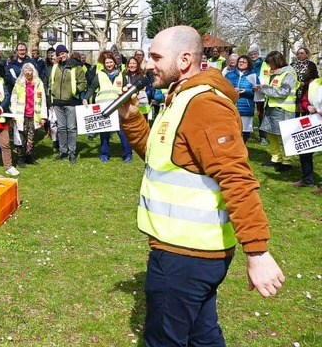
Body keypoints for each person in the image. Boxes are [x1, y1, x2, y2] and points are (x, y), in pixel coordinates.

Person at [118, 25, 284, 346]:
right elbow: (159, 155)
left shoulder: (203, 104)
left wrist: (258, 251)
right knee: (202, 336)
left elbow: (236, 177)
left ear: (184, 60)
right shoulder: (179, 97)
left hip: (186, 257)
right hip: (187, 254)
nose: (147, 64)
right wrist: (132, 118)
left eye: (155, 57)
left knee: (166, 340)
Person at [83, 51, 132, 163]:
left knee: (122, 131)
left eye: (111, 62)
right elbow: (92, 88)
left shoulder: (121, 75)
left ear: (114, 63)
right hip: (104, 108)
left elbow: (126, 90)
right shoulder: (99, 75)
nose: (109, 64)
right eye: (107, 63)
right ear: (104, 64)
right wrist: (86, 98)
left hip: (118, 107)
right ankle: (105, 154)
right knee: (104, 132)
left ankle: (127, 154)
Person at [254, 51, 298, 172]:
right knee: (271, 133)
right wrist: (262, 88)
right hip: (272, 107)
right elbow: (271, 88)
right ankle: (276, 157)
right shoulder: (275, 73)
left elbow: (283, 92)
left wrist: (264, 89)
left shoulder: (288, 73)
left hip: (283, 109)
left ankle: (287, 161)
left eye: (271, 63)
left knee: (284, 136)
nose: (269, 66)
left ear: (277, 62)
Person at [50, 45, 87, 163]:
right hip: (57, 102)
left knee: (71, 128)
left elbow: (83, 83)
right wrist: (52, 94)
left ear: (67, 53)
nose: (61, 56)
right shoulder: (55, 67)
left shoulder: (76, 66)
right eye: (59, 54)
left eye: (63, 53)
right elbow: (51, 82)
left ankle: (72, 152)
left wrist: (73, 92)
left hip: (71, 102)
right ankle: (63, 151)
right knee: (61, 128)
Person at [11, 62, 47, 167]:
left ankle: (29, 155)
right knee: (21, 137)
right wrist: (13, 114)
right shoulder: (18, 83)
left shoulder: (38, 83)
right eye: (25, 70)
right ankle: (20, 158)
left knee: (31, 137)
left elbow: (43, 100)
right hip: (21, 115)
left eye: (29, 70)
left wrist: (44, 117)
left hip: (34, 115)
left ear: (33, 71)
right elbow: (13, 99)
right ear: (23, 72)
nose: (27, 72)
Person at [225, 55, 257, 143]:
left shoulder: (253, 76)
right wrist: (231, 90)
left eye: (244, 62)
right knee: (230, 129)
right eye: (240, 62)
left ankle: (243, 148)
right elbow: (223, 88)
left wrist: (245, 91)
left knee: (244, 130)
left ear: (248, 64)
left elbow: (257, 92)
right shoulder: (229, 75)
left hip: (246, 106)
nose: (241, 63)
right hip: (231, 106)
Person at [248, 45, 269, 145]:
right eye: (251, 54)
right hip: (250, 91)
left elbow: (269, 77)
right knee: (248, 112)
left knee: (261, 114)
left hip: (261, 91)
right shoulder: (248, 64)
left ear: (258, 54)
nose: (253, 56)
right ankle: (247, 133)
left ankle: (263, 136)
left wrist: (262, 87)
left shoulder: (265, 64)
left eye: (254, 53)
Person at [291, 46, 319, 114]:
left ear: (307, 54)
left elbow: (315, 79)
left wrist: (305, 83)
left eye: (302, 53)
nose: (299, 55)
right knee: (295, 113)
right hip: (295, 92)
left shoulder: (311, 65)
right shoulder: (292, 65)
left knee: (305, 112)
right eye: (298, 53)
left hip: (306, 91)